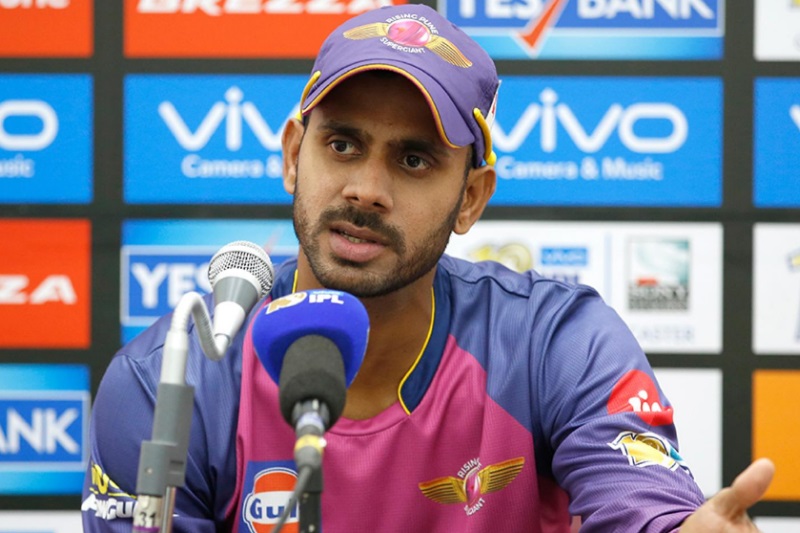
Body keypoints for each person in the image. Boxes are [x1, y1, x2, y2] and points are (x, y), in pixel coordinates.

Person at [81, 4, 775, 532]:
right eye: (342, 144)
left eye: (414, 159)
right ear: (294, 155)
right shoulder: (172, 379)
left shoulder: (553, 341)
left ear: (470, 197)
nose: (366, 190)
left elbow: (640, 504)